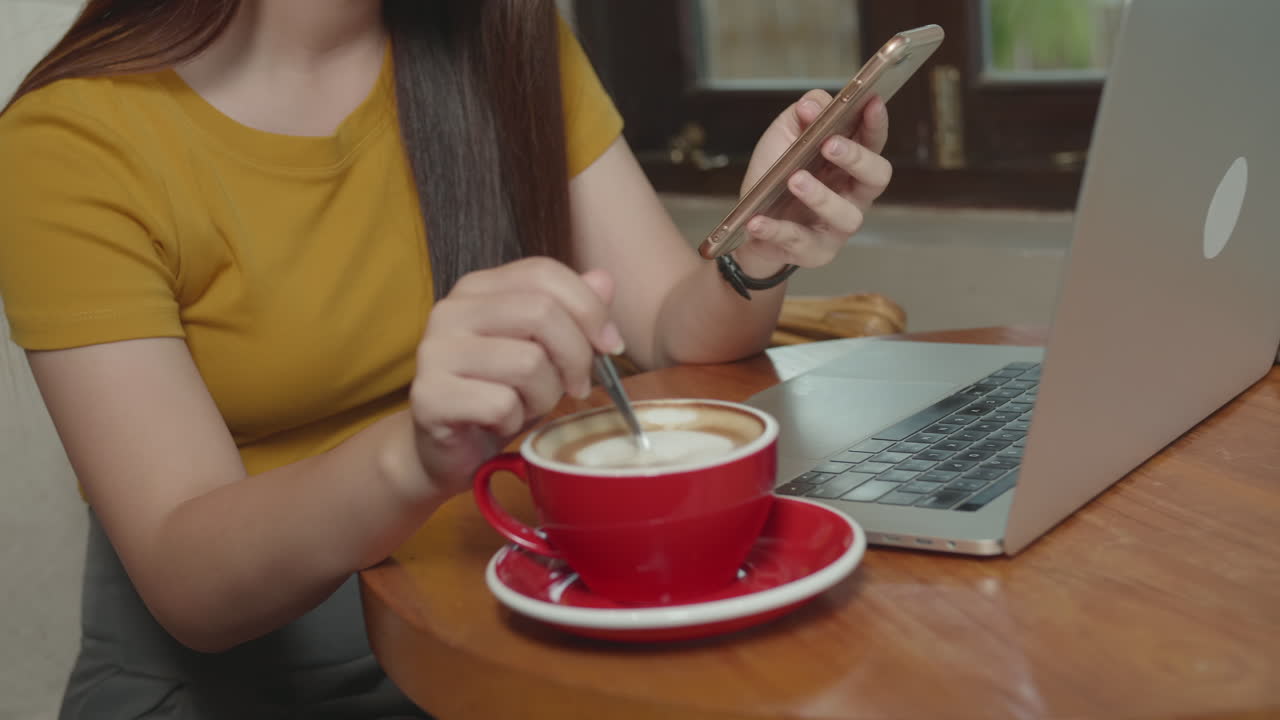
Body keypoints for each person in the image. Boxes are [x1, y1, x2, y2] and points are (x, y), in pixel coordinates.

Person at [0, 0, 893, 717]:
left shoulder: (504, 36)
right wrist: (420, 452)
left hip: (495, 639)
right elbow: (188, 581)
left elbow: (669, 335)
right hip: (247, 686)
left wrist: (760, 242)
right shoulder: (70, 140)